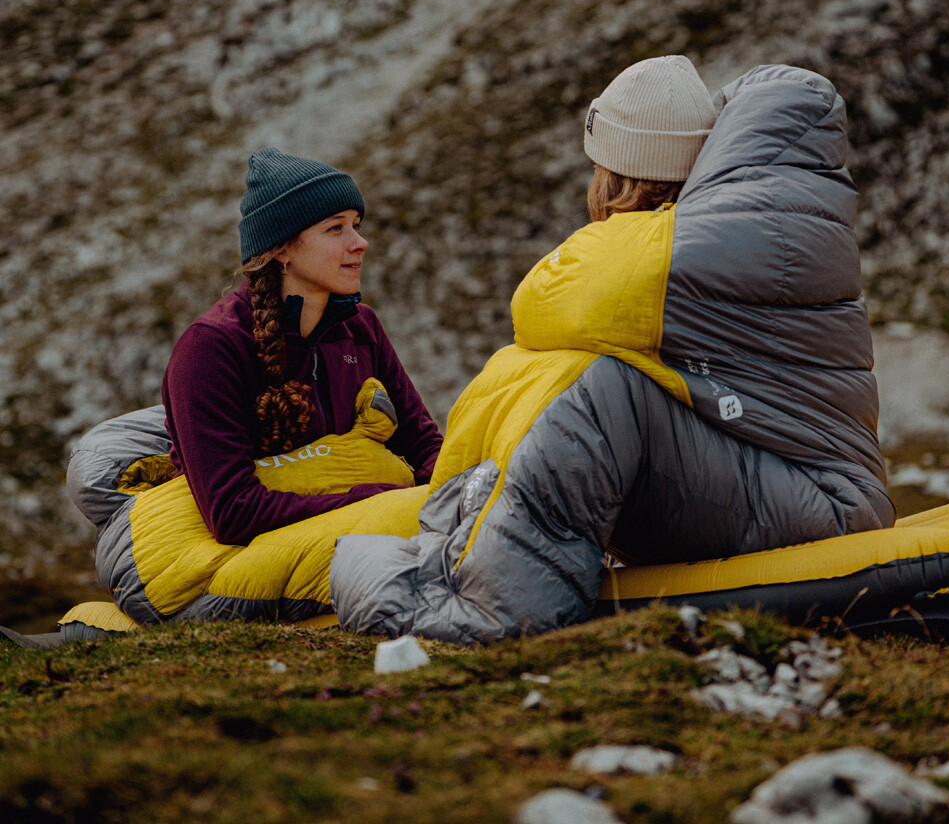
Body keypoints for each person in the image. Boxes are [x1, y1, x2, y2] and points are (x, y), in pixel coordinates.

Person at [326, 56, 895, 644]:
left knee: (596, 388)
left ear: (622, 173)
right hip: (787, 478)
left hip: (822, 500)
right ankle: (457, 556)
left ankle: (492, 614)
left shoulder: (705, 244)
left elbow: (550, 297)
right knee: (549, 373)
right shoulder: (748, 220)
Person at [161, 146, 443, 546]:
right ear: (281, 249)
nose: (360, 242)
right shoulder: (211, 347)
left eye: (356, 224)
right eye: (335, 228)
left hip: (361, 527)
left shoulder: (361, 327)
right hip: (248, 553)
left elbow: (421, 443)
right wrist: (379, 502)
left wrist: (458, 485)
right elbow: (232, 511)